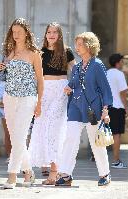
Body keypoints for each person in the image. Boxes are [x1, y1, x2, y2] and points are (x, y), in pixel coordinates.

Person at [55, 32, 113, 186]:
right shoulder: (77, 66)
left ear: (89, 46)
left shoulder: (97, 65)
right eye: (77, 44)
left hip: (93, 108)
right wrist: (69, 87)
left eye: (80, 44)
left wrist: (105, 109)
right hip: (75, 106)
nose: (77, 48)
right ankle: (66, 174)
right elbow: (74, 83)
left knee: (96, 142)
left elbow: (106, 89)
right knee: (70, 138)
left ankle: (105, 174)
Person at [0, 18, 44, 189]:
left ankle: (12, 175)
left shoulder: (34, 54)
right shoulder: (9, 51)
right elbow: (6, 76)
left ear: (26, 33)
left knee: (20, 136)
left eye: (19, 32)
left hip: (28, 98)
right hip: (9, 97)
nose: (15, 35)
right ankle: (29, 171)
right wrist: (2, 67)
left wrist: (39, 103)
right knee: (15, 137)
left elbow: (40, 80)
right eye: (13, 32)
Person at [28, 22, 75, 185]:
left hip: (61, 90)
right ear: (45, 34)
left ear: (60, 35)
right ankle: (51, 169)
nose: (52, 34)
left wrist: (71, 85)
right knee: (42, 127)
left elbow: (75, 72)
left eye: (55, 32)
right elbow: (34, 76)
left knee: (54, 129)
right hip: (44, 90)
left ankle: (54, 172)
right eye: (49, 32)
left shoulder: (66, 52)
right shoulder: (39, 53)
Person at [107, 53, 128, 169]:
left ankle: (95, 156)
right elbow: (123, 93)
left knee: (104, 133)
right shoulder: (119, 74)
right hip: (117, 108)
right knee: (116, 135)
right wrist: (127, 107)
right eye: (122, 61)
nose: (123, 63)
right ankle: (116, 160)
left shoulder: (106, 73)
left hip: (107, 107)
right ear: (118, 62)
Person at [0, 80, 11, 158]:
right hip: (5, 87)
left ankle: (19, 158)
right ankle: (10, 157)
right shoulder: (3, 83)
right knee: (8, 132)